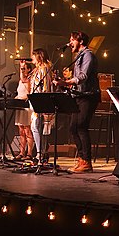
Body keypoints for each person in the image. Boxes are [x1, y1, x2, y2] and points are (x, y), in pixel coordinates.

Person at [53, 31, 99, 173]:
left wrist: (65, 82)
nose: (69, 42)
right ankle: (81, 158)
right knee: (73, 127)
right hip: (78, 95)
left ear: (80, 41)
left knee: (81, 126)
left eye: (72, 39)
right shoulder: (78, 56)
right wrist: (63, 82)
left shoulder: (88, 55)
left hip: (88, 95)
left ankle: (86, 161)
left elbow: (83, 76)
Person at [30, 48, 54, 164]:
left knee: (39, 127)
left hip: (41, 101)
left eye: (34, 56)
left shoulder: (44, 69)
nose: (32, 58)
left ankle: (41, 153)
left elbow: (45, 87)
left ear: (39, 56)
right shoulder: (37, 69)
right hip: (36, 100)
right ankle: (40, 152)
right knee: (35, 127)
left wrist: (43, 101)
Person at [13, 60, 34, 160]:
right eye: (21, 69)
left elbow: (28, 92)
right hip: (20, 106)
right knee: (21, 131)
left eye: (24, 69)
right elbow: (20, 92)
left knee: (27, 130)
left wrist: (22, 70)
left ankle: (29, 153)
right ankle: (22, 152)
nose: (22, 70)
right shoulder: (20, 81)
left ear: (29, 69)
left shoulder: (29, 79)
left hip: (26, 106)